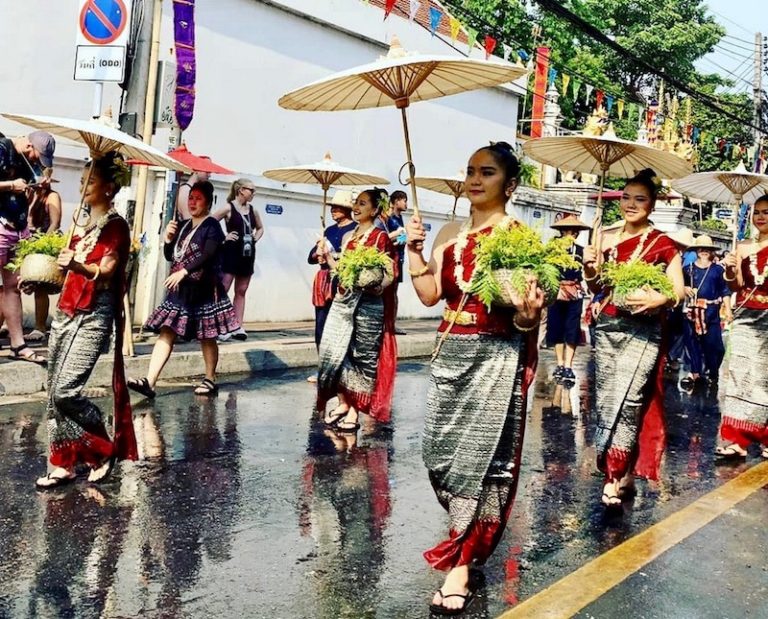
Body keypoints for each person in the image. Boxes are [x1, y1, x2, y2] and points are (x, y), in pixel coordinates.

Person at [406, 142, 544, 615]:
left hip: (495, 358)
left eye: (487, 172)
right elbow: (428, 294)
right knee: (440, 460)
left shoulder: (520, 237)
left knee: (482, 465)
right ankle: (470, 538)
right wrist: (414, 250)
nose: (475, 179)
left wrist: (527, 317)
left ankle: (460, 566)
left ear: (510, 184)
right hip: (450, 355)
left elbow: (526, 317)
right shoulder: (448, 231)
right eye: (470, 170)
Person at [34, 151, 138, 489]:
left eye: (89, 181)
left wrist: (79, 265)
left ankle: (102, 448)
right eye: (82, 181)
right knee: (53, 394)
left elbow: (106, 272)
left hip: (94, 314)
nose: (83, 187)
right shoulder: (82, 224)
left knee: (66, 391)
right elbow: (64, 271)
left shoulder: (117, 227)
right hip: (66, 309)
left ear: (108, 187)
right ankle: (62, 463)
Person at [583, 169, 684, 510]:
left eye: (639, 199)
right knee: (606, 400)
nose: (630, 204)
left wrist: (660, 299)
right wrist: (590, 270)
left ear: (652, 205)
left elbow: (678, 290)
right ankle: (622, 469)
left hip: (644, 332)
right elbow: (598, 289)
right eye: (626, 197)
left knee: (629, 402)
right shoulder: (604, 236)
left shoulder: (663, 243)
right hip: (608, 329)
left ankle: (613, 475)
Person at [130, 181, 239, 398]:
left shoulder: (212, 226)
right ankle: (150, 382)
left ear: (208, 201)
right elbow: (173, 256)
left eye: (198, 198)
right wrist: (169, 240)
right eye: (191, 197)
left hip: (204, 290)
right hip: (180, 291)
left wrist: (184, 271)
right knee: (167, 331)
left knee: (207, 335)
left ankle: (210, 378)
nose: (193, 202)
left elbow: (207, 254)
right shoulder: (183, 226)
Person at [316, 188, 398, 433]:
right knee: (339, 353)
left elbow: (391, 273)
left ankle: (354, 410)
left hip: (369, 305)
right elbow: (340, 270)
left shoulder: (380, 237)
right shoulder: (348, 237)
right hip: (344, 302)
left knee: (363, 357)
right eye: (356, 203)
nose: (357, 207)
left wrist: (378, 287)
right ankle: (343, 402)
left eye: (363, 203)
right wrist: (329, 258)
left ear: (374, 210)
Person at [715, 195, 768, 460]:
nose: (760, 217)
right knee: (739, 375)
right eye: (757, 212)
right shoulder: (743, 246)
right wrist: (729, 270)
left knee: (764, 378)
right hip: (747, 315)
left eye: (766, 212)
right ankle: (737, 439)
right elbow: (735, 286)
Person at [0, 130, 55, 364]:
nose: (36, 161)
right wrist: (12, 185)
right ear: (29, 145)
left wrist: (36, 185)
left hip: (18, 229)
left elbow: (30, 186)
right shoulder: (3, 148)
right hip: (1, 225)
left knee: (13, 287)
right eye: (37, 156)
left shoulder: (27, 162)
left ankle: (17, 344)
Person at [306, 190, 357, 382]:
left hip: (342, 280)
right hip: (324, 281)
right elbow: (311, 256)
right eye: (332, 208)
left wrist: (332, 255)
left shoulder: (355, 230)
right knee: (321, 326)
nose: (333, 211)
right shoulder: (328, 231)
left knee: (342, 326)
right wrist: (318, 252)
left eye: (337, 207)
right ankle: (323, 367)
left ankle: (344, 367)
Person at [215, 178, 264, 341]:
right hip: (230, 252)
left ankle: (237, 326)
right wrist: (224, 237)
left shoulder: (253, 210)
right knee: (223, 289)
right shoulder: (228, 208)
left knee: (241, 290)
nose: (253, 193)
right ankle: (220, 325)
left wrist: (255, 238)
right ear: (241, 190)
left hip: (247, 253)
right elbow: (210, 223)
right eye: (251, 190)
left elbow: (260, 228)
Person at [681, 235, 732, 388]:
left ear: (711, 252)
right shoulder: (687, 269)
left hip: (711, 312)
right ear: (696, 250)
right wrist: (684, 288)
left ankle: (713, 371)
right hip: (691, 311)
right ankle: (695, 372)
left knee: (714, 345)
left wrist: (728, 310)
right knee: (691, 342)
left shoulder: (717, 270)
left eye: (707, 249)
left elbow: (725, 291)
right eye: (701, 249)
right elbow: (677, 287)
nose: (703, 252)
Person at [546, 215, 590, 383]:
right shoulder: (552, 249)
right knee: (556, 326)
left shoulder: (581, 251)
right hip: (556, 291)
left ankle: (568, 365)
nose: (573, 234)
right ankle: (559, 363)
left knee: (572, 328)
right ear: (563, 231)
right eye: (570, 231)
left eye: (575, 232)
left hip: (575, 291)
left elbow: (588, 271)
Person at [26, 175, 62, 341]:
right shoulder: (30, 193)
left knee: (40, 285)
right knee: (13, 285)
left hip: (43, 240)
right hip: (25, 240)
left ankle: (40, 326)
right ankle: (7, 323)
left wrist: (42, 244)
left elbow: (55, 223)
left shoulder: (52, 196)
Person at [376, 190, 408, 334]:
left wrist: (405, 239)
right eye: (404, 200)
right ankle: (385, 323)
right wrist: (400, 237)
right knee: (386, 291)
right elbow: (386, 240)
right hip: (389, 259)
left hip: (398, 257)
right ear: (395, 201)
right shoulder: (389, 220)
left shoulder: (399, 219)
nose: (406, 203)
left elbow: (399, 240)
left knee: (394, 292)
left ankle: (391, 323)